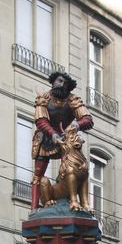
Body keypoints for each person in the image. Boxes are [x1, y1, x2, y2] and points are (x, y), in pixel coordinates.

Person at [31, 71, 93, 210]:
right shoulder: (44, 98)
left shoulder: (72, 100)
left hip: (66, 138)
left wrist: (77, 125)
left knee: (72, 169)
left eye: (65, 83)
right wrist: (53, 134)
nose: (62, 84)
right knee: (38, 175)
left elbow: (88, 119)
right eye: (59, 81)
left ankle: (71, 201)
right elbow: (41, 120)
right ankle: (34, 208)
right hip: (45, 138)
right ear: (53, 81)